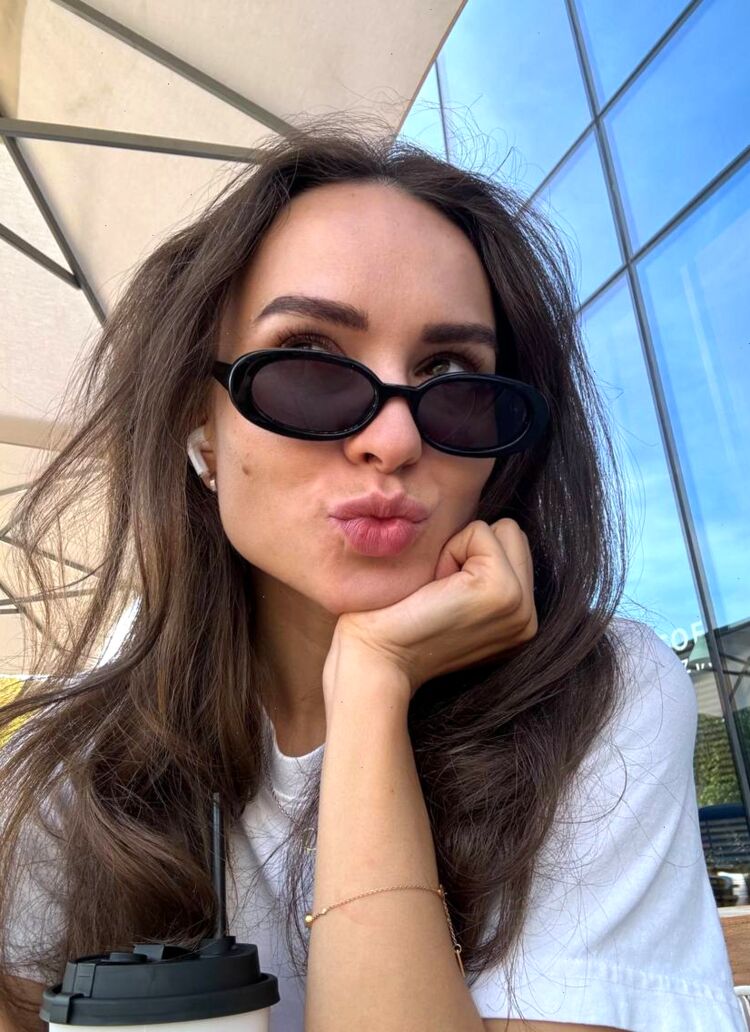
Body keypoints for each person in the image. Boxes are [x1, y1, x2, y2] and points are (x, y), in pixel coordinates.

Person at [0, 114, 744, 1032]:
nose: (393, 438)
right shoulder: (81, 768)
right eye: (311, 363)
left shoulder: (599, 695)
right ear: (202, 427)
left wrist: (372, 686)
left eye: (452, 374)